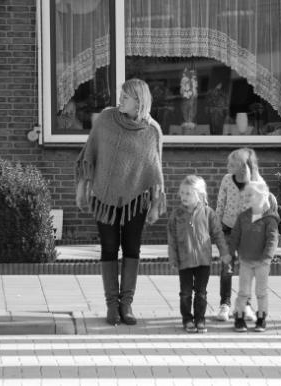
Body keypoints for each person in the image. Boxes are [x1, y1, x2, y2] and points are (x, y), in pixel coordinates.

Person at [75, 78, 166, 326]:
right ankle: (111, 305)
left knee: (132, 249)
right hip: (104, 197)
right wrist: (82, 189)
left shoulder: (152, 131)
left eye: (126, 97)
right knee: (109, 247)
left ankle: (127, 304)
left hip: (136, 201)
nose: (120, 100)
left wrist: (156, 202)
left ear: (139, 101)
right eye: (121, 95)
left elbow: (154, 170)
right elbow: (89, 155)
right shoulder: (105, 121)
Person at [167, 175, 231, 333]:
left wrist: (224, 253)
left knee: (201, 292)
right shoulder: (177, 215)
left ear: (200, 195)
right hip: (185, 261)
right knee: (185, 293)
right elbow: (172, 238)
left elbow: (218, 234)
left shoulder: (209, 214)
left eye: (188, 193)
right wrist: (173, 258)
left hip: (203, 261)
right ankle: (187, 319)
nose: (184, 197)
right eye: (182, 193)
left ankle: (200, 319)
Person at [224, 180, 280, 333]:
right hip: (246, 261)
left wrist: (267, 257)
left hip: (262, 262)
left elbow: (273, 239)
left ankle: (261, 318)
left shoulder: (270, 219)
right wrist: (231, 253)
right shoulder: (243, 217)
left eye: (251, 195)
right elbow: (235, 236)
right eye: (246, 195)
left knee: (261, 292)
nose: (247, 197)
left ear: (262, 196)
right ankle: (239, 317)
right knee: (243, 292)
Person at [215, 148, 261, 322]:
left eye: (232, 164)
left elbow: (261, 207)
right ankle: (224, 305)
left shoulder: (256, 182)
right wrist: (216, 227)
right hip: (227, 230)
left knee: (246, 269)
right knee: (226, 268)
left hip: (247, 233)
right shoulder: (226, 180)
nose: (228, 166)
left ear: (243, 166)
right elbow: (220, 204)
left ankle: (245, 305)